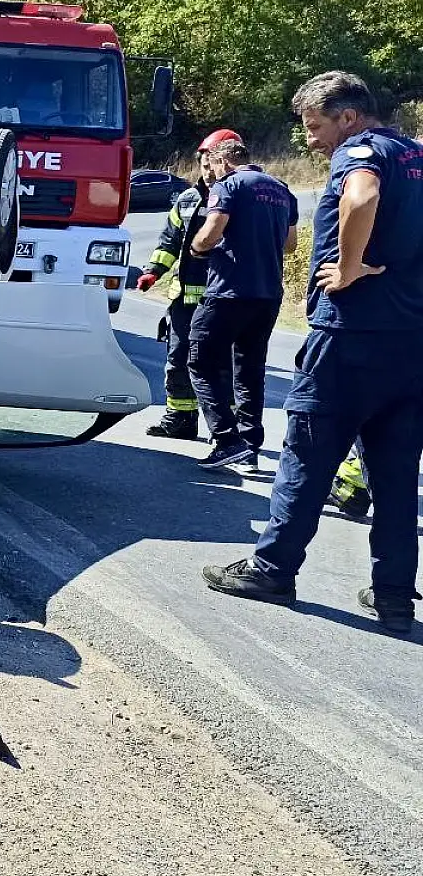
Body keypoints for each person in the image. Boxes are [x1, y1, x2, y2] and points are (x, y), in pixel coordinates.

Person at [202, 71, 423, 635]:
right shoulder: (416, 156)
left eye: (315, 125)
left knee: (307, 453)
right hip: (412, 343)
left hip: (350, 336)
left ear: (347, 117)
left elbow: (362, 195)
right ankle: (395, 595)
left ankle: (272, 569)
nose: (310, 140)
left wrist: (350, 267)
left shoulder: (362, 153)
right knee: (395, 474)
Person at [185, 138, 298, 469]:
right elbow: (290, 245)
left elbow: (211, 232)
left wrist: (197, 249)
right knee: (249, 369)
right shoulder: (281, 189)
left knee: (200, 359)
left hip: (229, 291)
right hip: (268, 294)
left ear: (223, 162)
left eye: (213, 166)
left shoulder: (229, 185)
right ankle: (249, 444)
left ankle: (226, 438)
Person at [137, 129, 243, 440]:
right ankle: (180, 419)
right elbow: (170, 240)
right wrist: (153, 270)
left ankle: (226, 427)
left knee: (224, 364)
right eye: (205, 164)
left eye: (215, 164)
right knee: (179, 358)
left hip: (224, 297)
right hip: (184, 297)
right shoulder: (187, 199)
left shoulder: (240, 196)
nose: (209, 171)